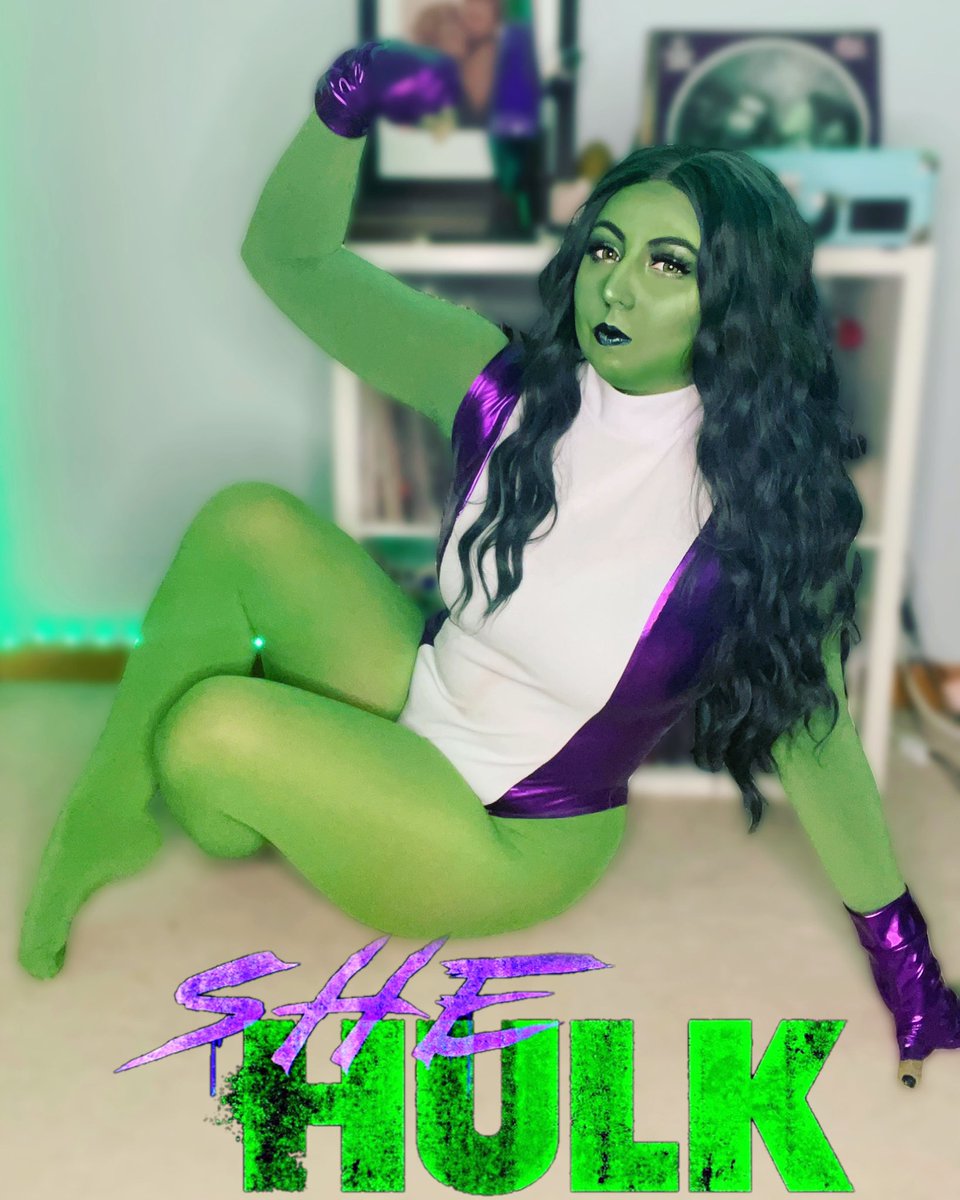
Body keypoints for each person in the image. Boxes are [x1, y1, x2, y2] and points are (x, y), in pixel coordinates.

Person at [17, 39, 960, 1088]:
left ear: (736, 302)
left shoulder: (760, 528)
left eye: (669, 266)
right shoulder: (507, 387)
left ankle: (242, 784)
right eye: (605, 249)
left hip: (505, 833)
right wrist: (342, 109)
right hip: (423, 688)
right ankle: (112, 816)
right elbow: (291, 262)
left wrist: (904, 958)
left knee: (206, 728)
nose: (618, 288)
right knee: (247, 522)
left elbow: (819, 750)